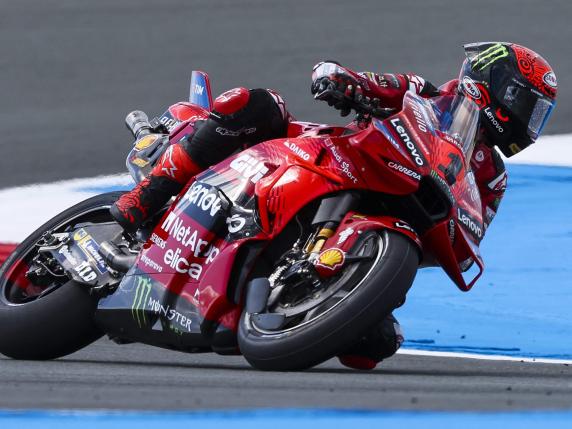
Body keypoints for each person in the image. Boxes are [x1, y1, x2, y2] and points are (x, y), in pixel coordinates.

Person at [110, 42, 557, 369]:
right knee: (257, 105)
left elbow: (471, 228)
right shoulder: (424, 93)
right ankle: (145, 196)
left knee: (375, 344)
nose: (528, 121)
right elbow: (366, 83)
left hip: (387, 221)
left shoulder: (492, 177)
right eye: (527, 105)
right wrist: (341, 81)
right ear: (496, 85)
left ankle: (289, 293)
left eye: (538, 115)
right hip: (323, 159)